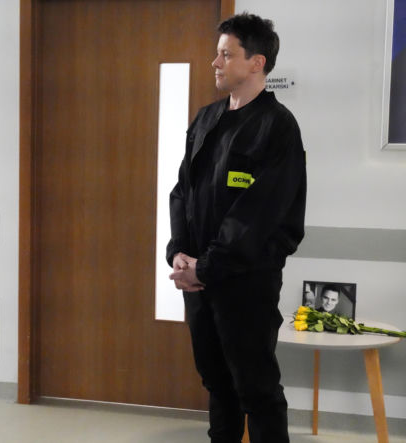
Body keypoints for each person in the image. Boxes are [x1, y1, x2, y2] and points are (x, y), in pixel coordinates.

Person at [167, 13, 306, 443]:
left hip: (246, 283)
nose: (215, 62)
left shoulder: (276, 127)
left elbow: (258, 215)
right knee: (217, 382)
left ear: (256, 62)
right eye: (217, 53)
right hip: (200, 281)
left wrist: (207, 267)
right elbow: (182, 191)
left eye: (226, 55)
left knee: (256, 388)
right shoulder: (206, 119)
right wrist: (179, 253)